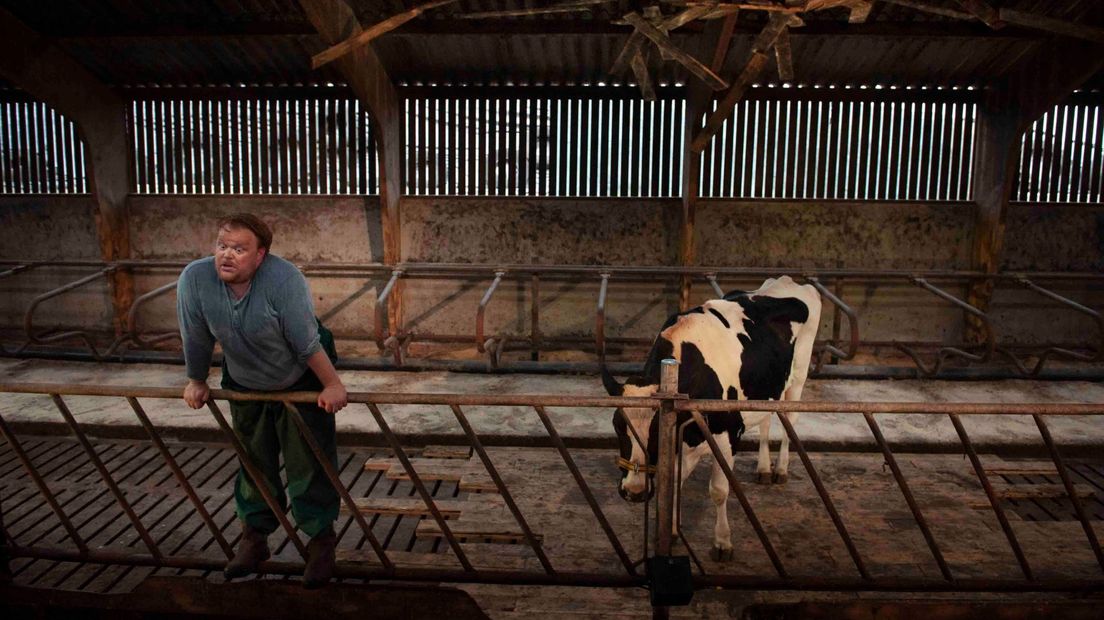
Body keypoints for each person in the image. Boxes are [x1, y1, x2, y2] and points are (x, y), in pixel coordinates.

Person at [177, 213, 347, 589]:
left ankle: (320, 543)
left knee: (308, 457)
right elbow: (195, 334)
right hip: (245, 375)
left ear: (260, 256)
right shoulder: (196, 278)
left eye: (240, 249)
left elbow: (306, 341)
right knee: (253, 457)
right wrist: (196, 379)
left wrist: (332, 385)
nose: (227, 255)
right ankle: (254, 539)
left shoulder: (283, 279)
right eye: (222, 245)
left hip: (300, 372)